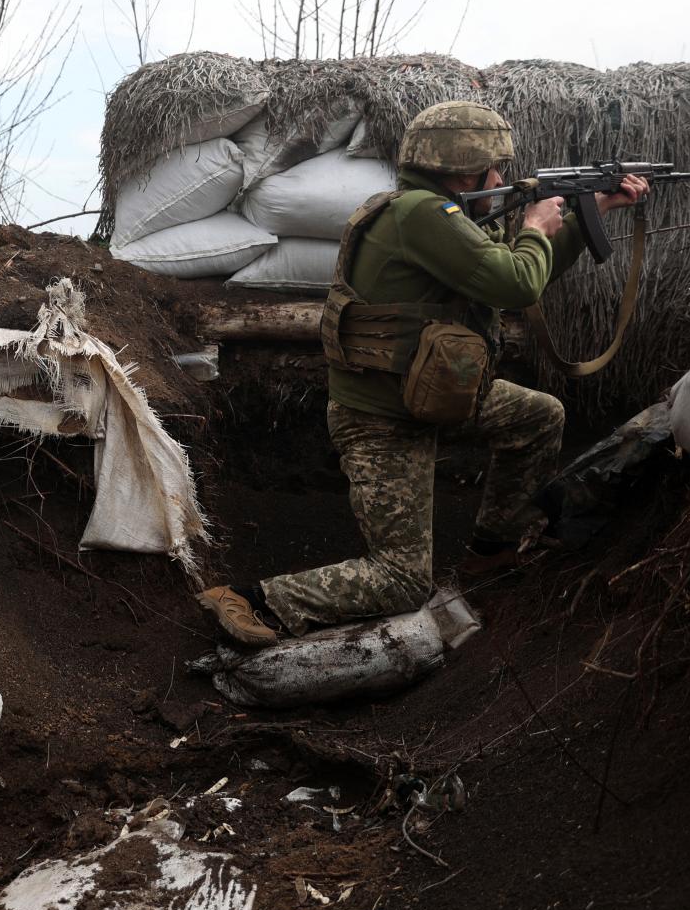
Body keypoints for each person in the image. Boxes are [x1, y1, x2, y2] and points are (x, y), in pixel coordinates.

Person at [196, 101, 649, 646]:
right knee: (404, 579)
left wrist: (590, 212)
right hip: (383, 419)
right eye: (494, 167)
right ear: (463, 168)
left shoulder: (441, 216)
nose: (502, 178)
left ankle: (491, 552)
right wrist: (534, 226)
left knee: (537, 416)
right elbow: (516, 284)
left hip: (436, 393)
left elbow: (518, 271)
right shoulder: (423, 216)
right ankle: (254, 600)